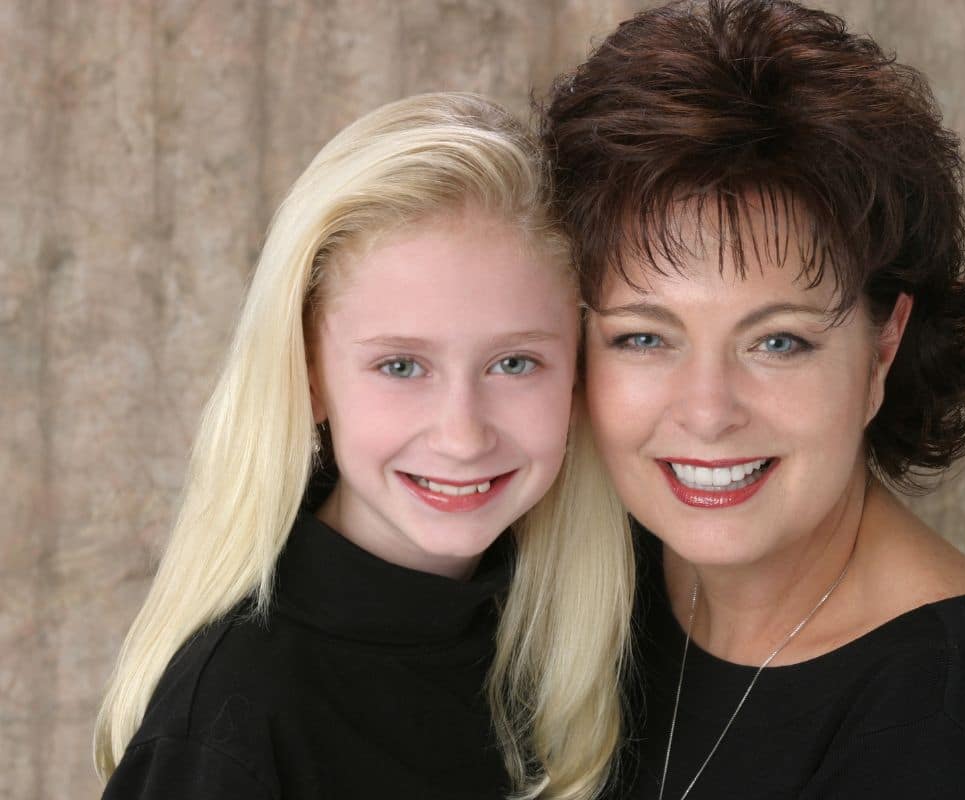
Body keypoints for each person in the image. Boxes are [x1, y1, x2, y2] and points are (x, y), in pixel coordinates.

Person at [542, 1, 965, 798]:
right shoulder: (589, 565)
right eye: (644, 337)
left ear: (883, 348)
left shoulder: (958, 721)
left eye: (778, 342)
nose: (706, 410)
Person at [94, 93, 633, 800]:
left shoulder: (595, 634)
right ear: (309, 378)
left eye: (514, 364)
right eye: (401, 367)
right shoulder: (233, 720)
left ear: (575, 377)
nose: (462, 434)